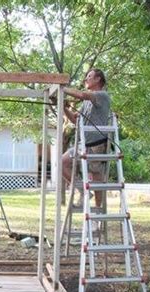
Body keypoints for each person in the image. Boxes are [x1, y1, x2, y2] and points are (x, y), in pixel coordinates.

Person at [61, 69, 111, 212]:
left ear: (98, 79)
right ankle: (83, 190)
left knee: (96, 178)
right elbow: (74, 120)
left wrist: (62, 88)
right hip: (83, 144)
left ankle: (98, 212)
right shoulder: (87, 103)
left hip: (97, 145)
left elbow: (82, 94)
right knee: (62, 162)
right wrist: (64, 107)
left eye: (89, 76)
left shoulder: (102, 95)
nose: (85, 79)